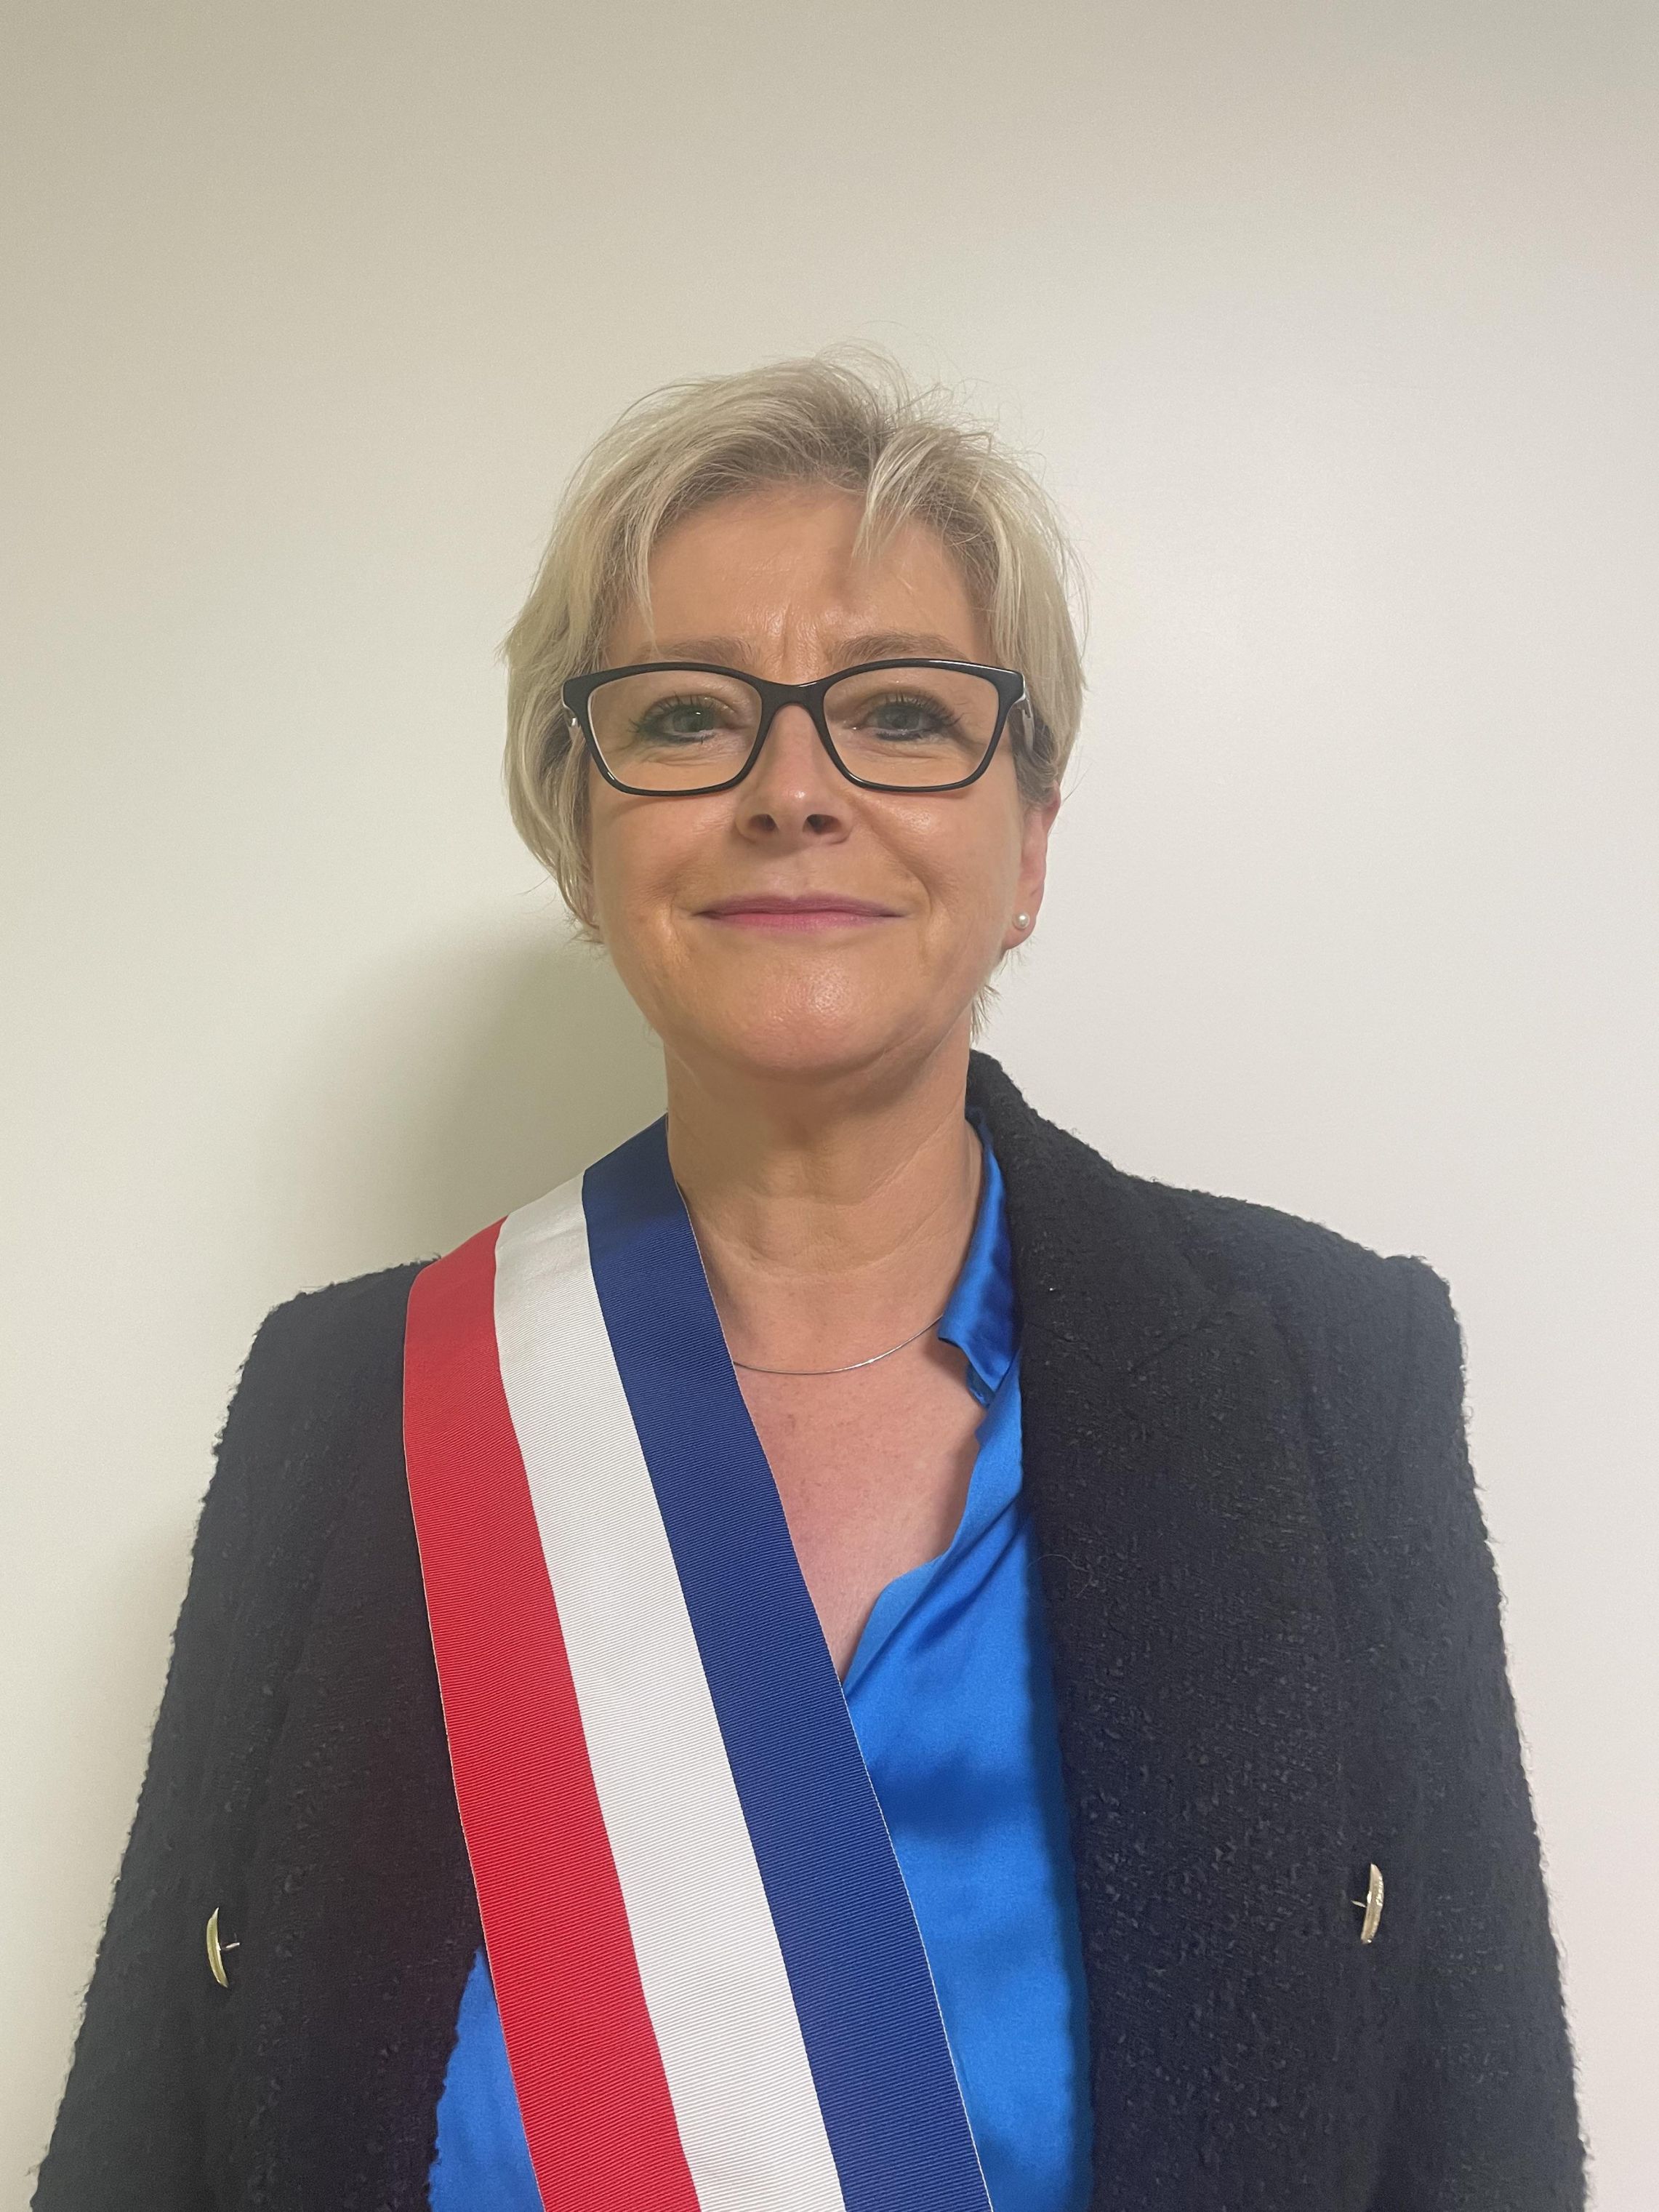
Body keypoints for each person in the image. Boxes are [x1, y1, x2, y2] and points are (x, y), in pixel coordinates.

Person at [33, 352, 1585, 2212]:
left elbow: (1478, 2139)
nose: (792, 788)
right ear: (581, 836)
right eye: (688, 716)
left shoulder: (1325, 1373)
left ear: (1029, 841)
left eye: (903, 713)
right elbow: (152, 2135)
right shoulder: (347, 1402)